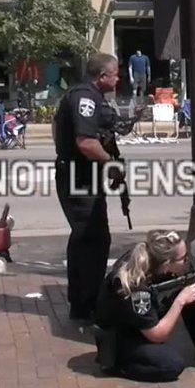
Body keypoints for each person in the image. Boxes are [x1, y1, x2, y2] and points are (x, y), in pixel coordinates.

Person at [96, 230, 195, 382]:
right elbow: (157, 335)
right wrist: (180, 301)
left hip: (132, 322)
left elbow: (179, 284)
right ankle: (119, 365)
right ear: (167, 264)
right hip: (118, 338)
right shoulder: (137, 287)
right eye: (183, 259)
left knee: (188, 287)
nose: (187, 262)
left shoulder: (149, 256)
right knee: (171, 365)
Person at [54, 52, 122, 321]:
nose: (119, 78)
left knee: (84, 238)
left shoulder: (85, 95)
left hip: (82, 175)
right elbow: (85, 142)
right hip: (79, 177)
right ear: (102, 76)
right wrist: (111, 163)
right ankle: (88, 303)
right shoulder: (85, 98)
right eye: (115, 73)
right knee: (93, 240)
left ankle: (81, 302)